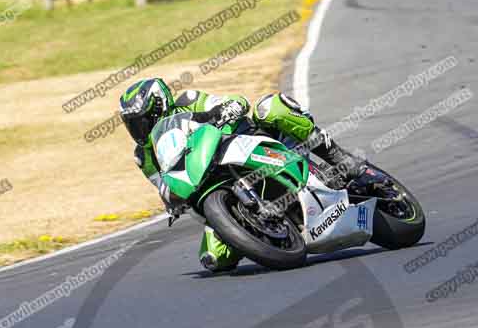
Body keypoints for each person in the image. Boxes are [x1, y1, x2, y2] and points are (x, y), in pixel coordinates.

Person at [119, 78, 382, 272]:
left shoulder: (188, 100)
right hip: (207, 180)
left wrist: (225, 110)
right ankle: (261, 226)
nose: (137, 128)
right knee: (214, 259)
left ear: (159, 105)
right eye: (132, 123)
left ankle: (337, 156)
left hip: (248, 139)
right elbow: (163, 184)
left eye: (141, 119)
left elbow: (235, 102)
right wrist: (171, 202)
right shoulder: (144, 156)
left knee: (270, 108)